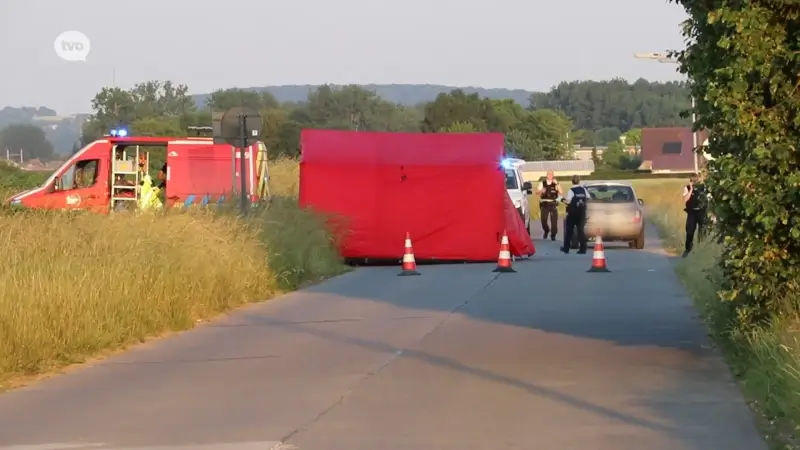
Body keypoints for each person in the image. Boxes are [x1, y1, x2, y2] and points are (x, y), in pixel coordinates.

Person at [561, 175, 590, 254]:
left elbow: (568, 201)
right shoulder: (583, 189)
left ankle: (566, 248)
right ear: (579, 181)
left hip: (573, 213)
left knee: (569, 231)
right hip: (582, 213)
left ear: (572, 181)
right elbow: (588, 197)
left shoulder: (572, 190)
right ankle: (583, 248)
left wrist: (561, 199)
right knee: (580, 231)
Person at [682, 173, 708, 257]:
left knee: (703, 231)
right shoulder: (687, 188)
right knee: (689, 231)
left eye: (696, 181)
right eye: (693, 181)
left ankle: (702, 250)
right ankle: (687, 249)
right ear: (690, 181)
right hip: (691, 212)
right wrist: (691, 189)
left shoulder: (703, 188)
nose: (694, 182)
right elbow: (685, 199)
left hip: (702, 212)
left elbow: (708, 199)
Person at [536, 170, 562, 240]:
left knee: (554, 221)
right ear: (546, 175)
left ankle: (553, 235)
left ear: (553, 176)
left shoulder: (555, 184)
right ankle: (546, 230)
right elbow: (537, 192)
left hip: (553, 203)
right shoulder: (542, 183)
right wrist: (541, 191)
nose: (550, 176)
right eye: (548, 174)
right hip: (544, 204)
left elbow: (561, 192)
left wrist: (557, 184)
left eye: (551, 174)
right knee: (543, 220)